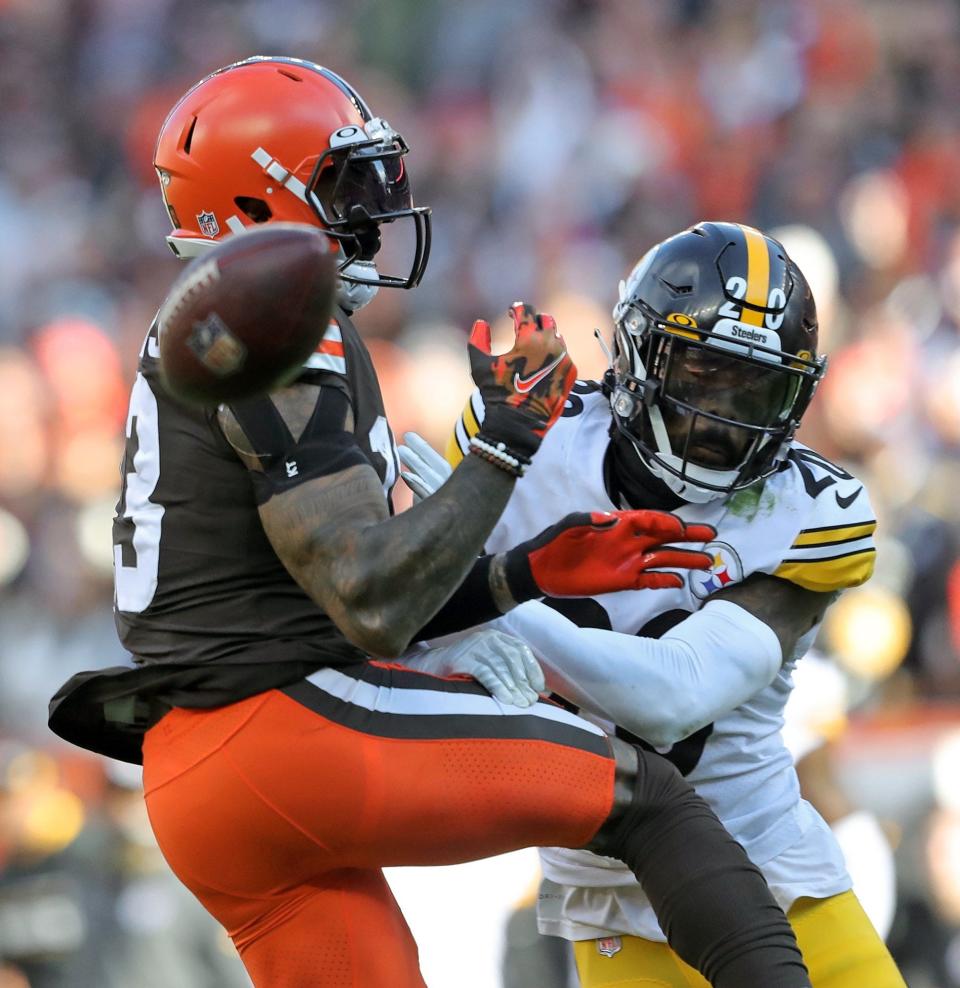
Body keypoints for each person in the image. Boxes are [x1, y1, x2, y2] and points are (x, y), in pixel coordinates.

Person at [48, 61, 812, 988]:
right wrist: (504, 445)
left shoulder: (225, 317)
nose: (372, 209)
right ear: (253, 202)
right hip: (276, 731)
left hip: (198, 769)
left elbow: (339, 589)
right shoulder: (273, 317)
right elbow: (367, 596)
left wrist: (522, 572)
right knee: (647, 797)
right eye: (341, 183)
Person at [403, 221, 907, 986]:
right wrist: (448, 597)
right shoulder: (531, 442)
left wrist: (493, 589)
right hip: (607, 890)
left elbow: (672, 697)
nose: (722, 418)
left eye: (755, 389)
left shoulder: (808, 511)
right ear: (639, 358)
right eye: (704, 375)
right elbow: (408, 630)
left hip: (772, 866)